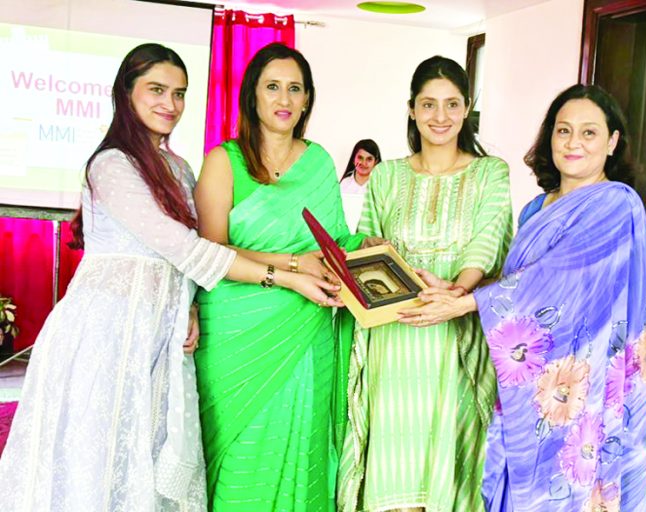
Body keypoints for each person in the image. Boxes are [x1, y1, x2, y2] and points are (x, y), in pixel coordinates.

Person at [0, 43, 338, 512]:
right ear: (126, 94)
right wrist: (288, 275)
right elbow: (184, 246)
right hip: (106, 330)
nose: (170, 105)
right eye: (156, 90)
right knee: (97, 456)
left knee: (150, 455)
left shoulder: (178, 168)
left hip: (161, 330)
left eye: (179, 93)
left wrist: (193, 304)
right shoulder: (112, 164)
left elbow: (181, 259)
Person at [400, 84, 646, 511]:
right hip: (530, 385)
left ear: (612, 142)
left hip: (582, 388)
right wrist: (460, 290)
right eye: (563, 130)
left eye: (589, 133)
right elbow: (520, 280)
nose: (573, 142)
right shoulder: (537, 208)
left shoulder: (617, 204)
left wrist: (468, 305)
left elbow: (559, 281)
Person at [193, 42, 366, 511]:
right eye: (272, 87)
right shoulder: (223, 161)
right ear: (253, 95)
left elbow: (335, 243)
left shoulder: (320, 162)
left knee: (303, 441)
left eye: (295, 88)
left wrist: (365, 250)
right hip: (236, 333)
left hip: (306, 333)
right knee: (240, 449)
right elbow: (208, 251)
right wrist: (291, 266)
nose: (284, 99)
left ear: (308, 99)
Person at [338, 56, 513, 512]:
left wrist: (456, 291)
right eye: (428, 104)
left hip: (453, 338)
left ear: (467, 107)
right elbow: (365, 242)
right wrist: (367, 249)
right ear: (411, 109)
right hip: (394, 334)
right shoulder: (387, 175)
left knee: (446, 466)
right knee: (393, 466)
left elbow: (488, 239)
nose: (440, 116)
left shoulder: (490, 172)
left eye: (452, 104)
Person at [340, 139, 382, 232]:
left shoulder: (380, 186)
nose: (364, 163)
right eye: (360, 157)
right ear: (353, 159)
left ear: (376, 162)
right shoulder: (344, 185)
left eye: (369, 159)